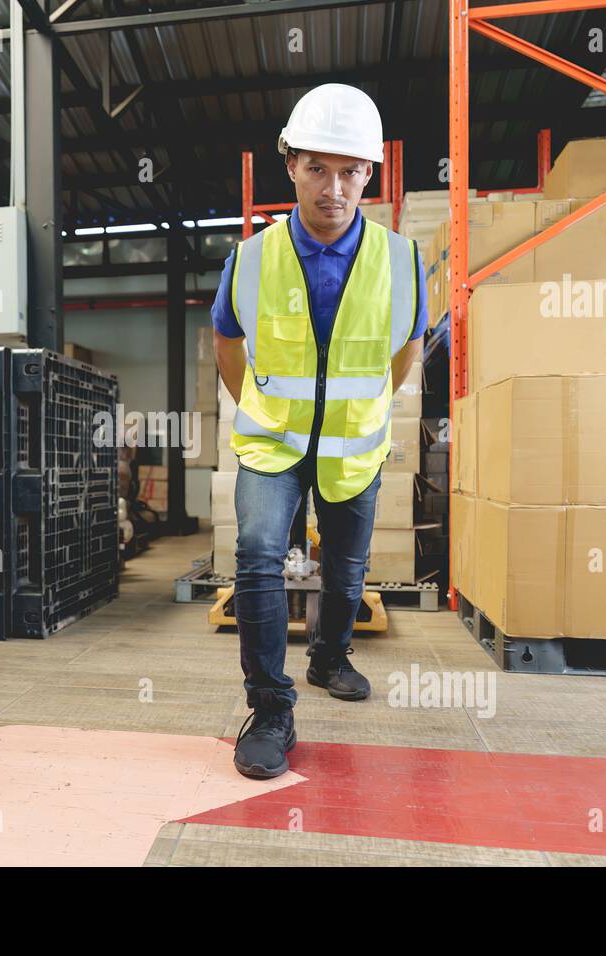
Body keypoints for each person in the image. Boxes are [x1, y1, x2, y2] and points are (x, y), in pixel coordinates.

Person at [211, 84, 428, 779]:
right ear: (291, 164)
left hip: (353, 444)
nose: (333, 188)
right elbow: (225, 340)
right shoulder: (251, 257)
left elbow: (405, 349)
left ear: (371, 172)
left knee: (347, 570)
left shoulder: (400, 260)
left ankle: (330, 657)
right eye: (317, 169)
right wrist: (264, 407)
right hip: (273, 442)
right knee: (255, 552)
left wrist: (362, 411)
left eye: (350, 171)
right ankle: (271, 707)